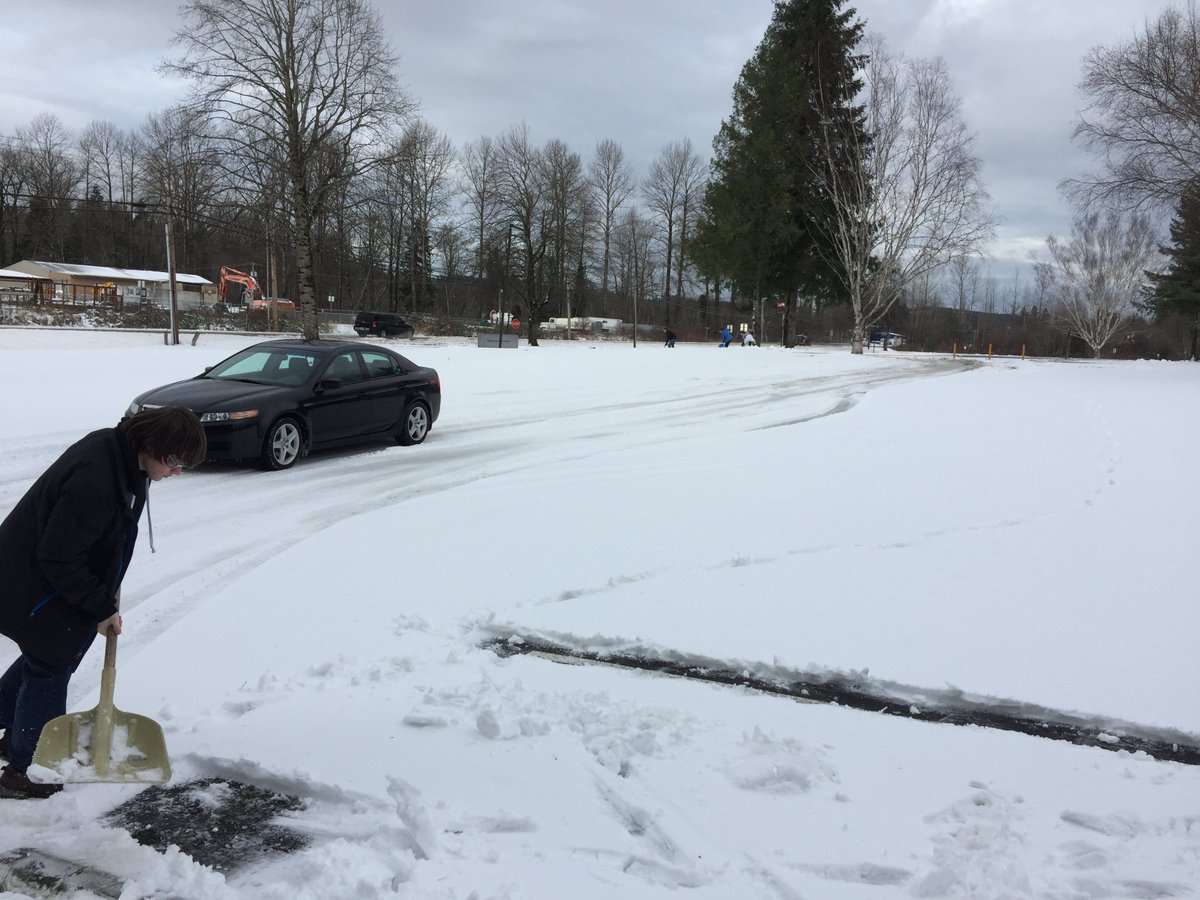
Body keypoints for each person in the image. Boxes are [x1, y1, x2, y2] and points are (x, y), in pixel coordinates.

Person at [0, 406, 205, 799]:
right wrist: (100, 606)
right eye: (174, 461)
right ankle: (26, 771)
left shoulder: (122, 456)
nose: (177, 471)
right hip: (32, 583)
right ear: (150, 444)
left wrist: (103, 593)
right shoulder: (96, 481)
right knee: (50, 663)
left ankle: (12, 727)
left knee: (44, 658)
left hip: (45, 577)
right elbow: (58, 556)